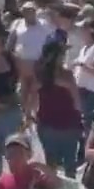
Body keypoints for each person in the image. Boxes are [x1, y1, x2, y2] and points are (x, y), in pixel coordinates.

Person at [32, 36, 86, 176]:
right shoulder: (67, 76)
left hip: (46, 125)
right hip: (68, 125)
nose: (64, 56)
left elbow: (31, 100)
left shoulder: (39, 76)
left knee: (51, 165)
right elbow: (77, 102)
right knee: (70, 164)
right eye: (62, 53)